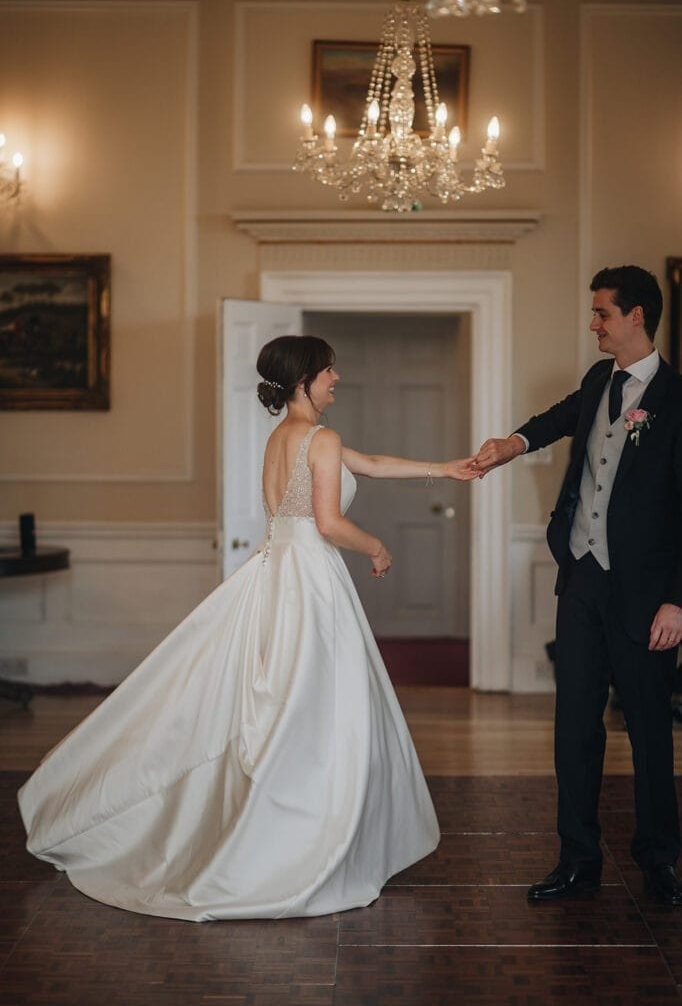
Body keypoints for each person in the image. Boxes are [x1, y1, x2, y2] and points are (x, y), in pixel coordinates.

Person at [18, 334, 479, 921]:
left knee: (287, 700)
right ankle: (303, 836)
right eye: (329, 370)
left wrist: (447, 468)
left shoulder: (284, 437)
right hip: (310, 576)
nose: (337, 377)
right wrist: (379, 546)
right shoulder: (321, 438)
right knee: (315, 706)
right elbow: (331, 523)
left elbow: (374, 464)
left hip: (275, 569)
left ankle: (289, 824)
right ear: (304, 378)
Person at [473, 265, 682, 905]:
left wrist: (678, 598)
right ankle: (578, 859)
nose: (594, 323)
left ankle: (660, 861)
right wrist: (510, 444)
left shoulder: (678, 399)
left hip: (648, 595)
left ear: (637, 316)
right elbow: (562, 417)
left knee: (648, 730)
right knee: (574, 727)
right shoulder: (599, 380)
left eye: (603, 314)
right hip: (583, 578)